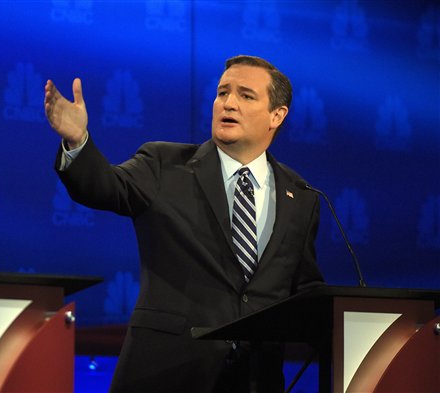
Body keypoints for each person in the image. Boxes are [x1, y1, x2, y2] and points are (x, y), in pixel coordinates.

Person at [44, 55, 324, 393]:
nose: (228, 103)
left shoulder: (302, 196)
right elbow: (106, 187)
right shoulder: (164, 165)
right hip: (165, 373)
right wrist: (79, 143)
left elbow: (305, 291)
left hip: (254, 379)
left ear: (276, 116)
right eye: (222, 93)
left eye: (246, 96)